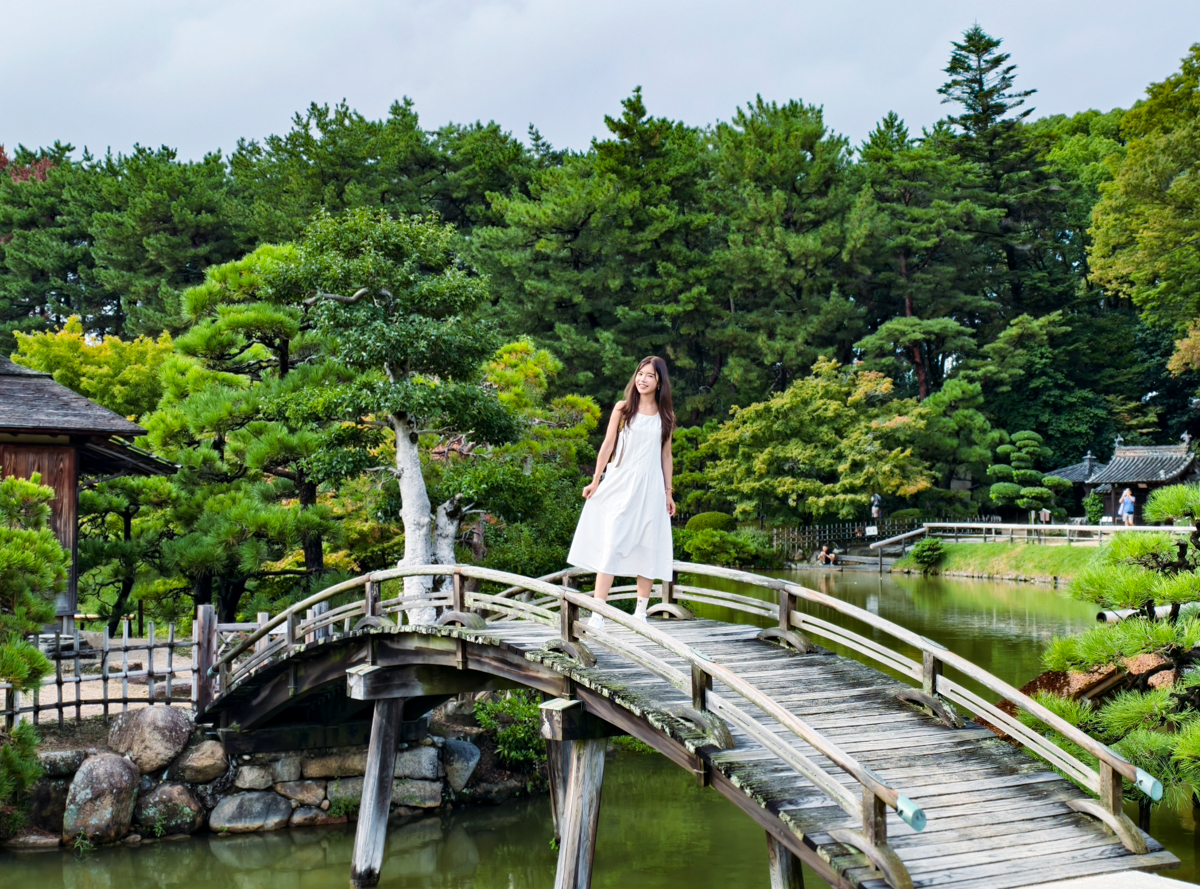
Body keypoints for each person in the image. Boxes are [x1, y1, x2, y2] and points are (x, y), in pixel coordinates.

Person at [568, 357, 676, 629]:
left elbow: (666, 456)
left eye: (650, 375)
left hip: (651, 489)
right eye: (640, 373)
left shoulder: (665, 417)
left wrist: (668, 492)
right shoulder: (623, 409)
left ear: (659, 382)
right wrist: (595, 480)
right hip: (621, 483)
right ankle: (598, 612)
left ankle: (640, 613)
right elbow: (607, 445)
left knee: (648, 545)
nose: (642, 379)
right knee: (612, 542)